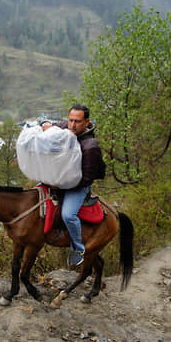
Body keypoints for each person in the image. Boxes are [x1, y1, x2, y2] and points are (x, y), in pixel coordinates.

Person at [40, 104, 105, 267]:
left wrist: (60, 186)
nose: (72, 125)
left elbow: (86, 178)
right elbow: (51, 126)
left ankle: (78, 248)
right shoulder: (67, 127)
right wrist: (44, 125)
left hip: (78, 185)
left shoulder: (90, 146)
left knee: (68, 214)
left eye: (77, 121)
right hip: (61, 177)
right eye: (70, 120)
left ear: (86, 122)